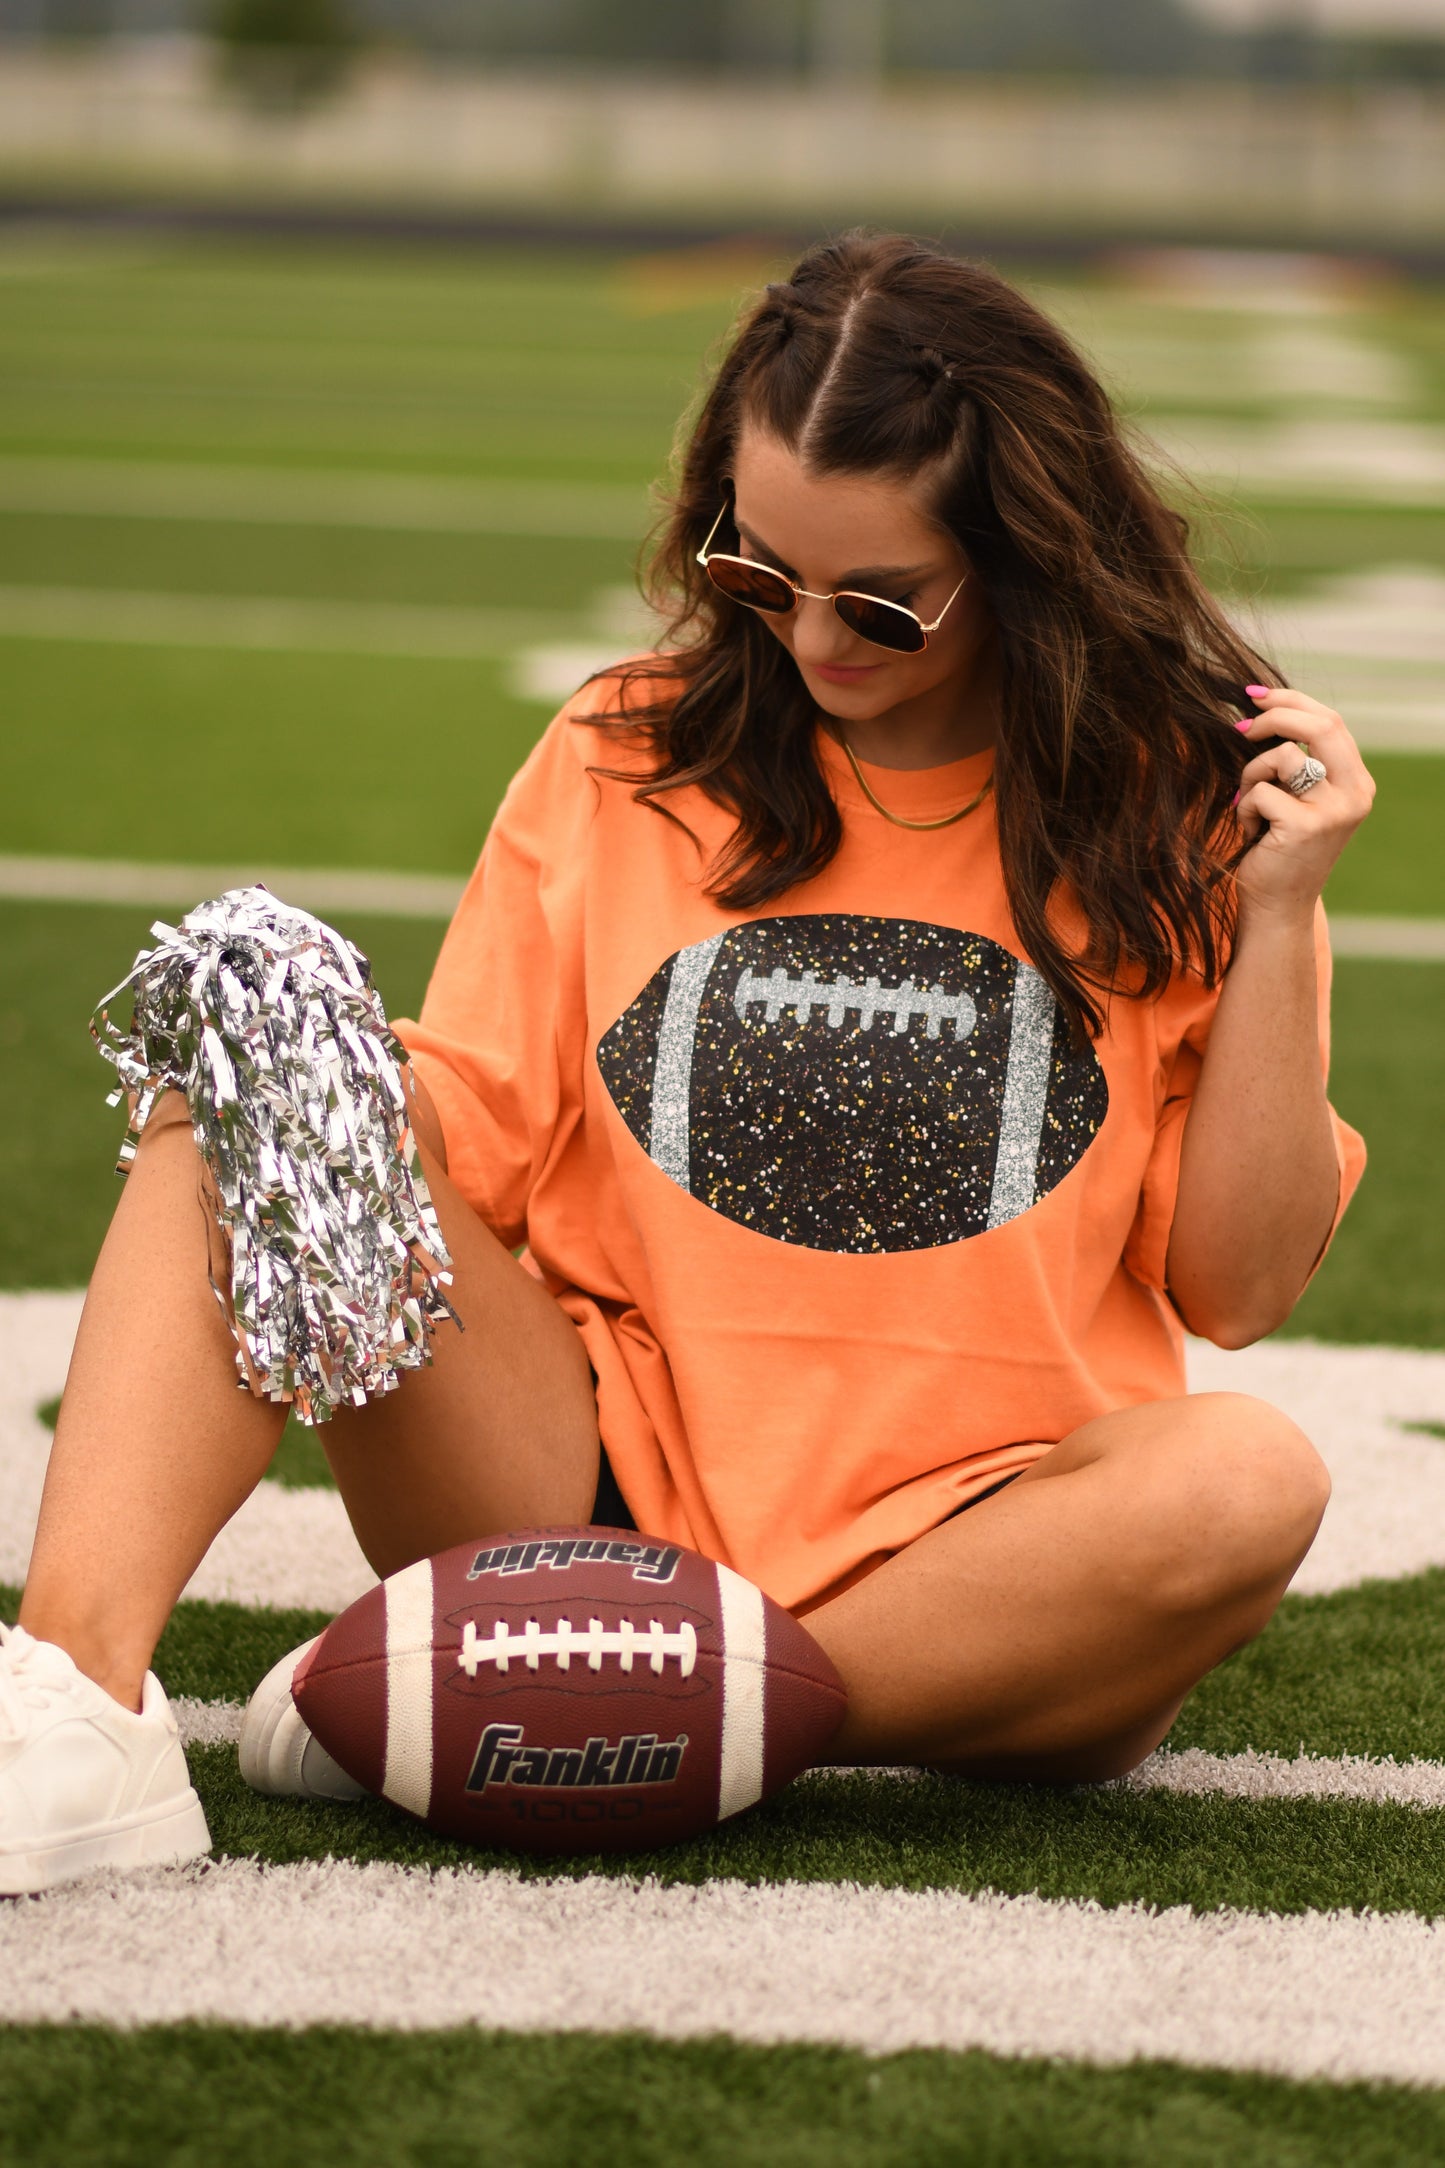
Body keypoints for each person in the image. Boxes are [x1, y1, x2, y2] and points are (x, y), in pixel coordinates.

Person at [2, 232, 1371, 1893]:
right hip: (566, 1504)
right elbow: (483, 1134)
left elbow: (1231, 1284)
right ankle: (81, 1705)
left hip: (981, 1565)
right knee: (257, 1047)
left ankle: (494, 1706)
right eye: (754, 573)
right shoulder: (628, 744)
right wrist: (294, 1072)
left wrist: (1282, 912)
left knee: (1244, 1479)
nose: (809, 637)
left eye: (876, 599)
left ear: (1020, 558)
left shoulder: (1167, 804)